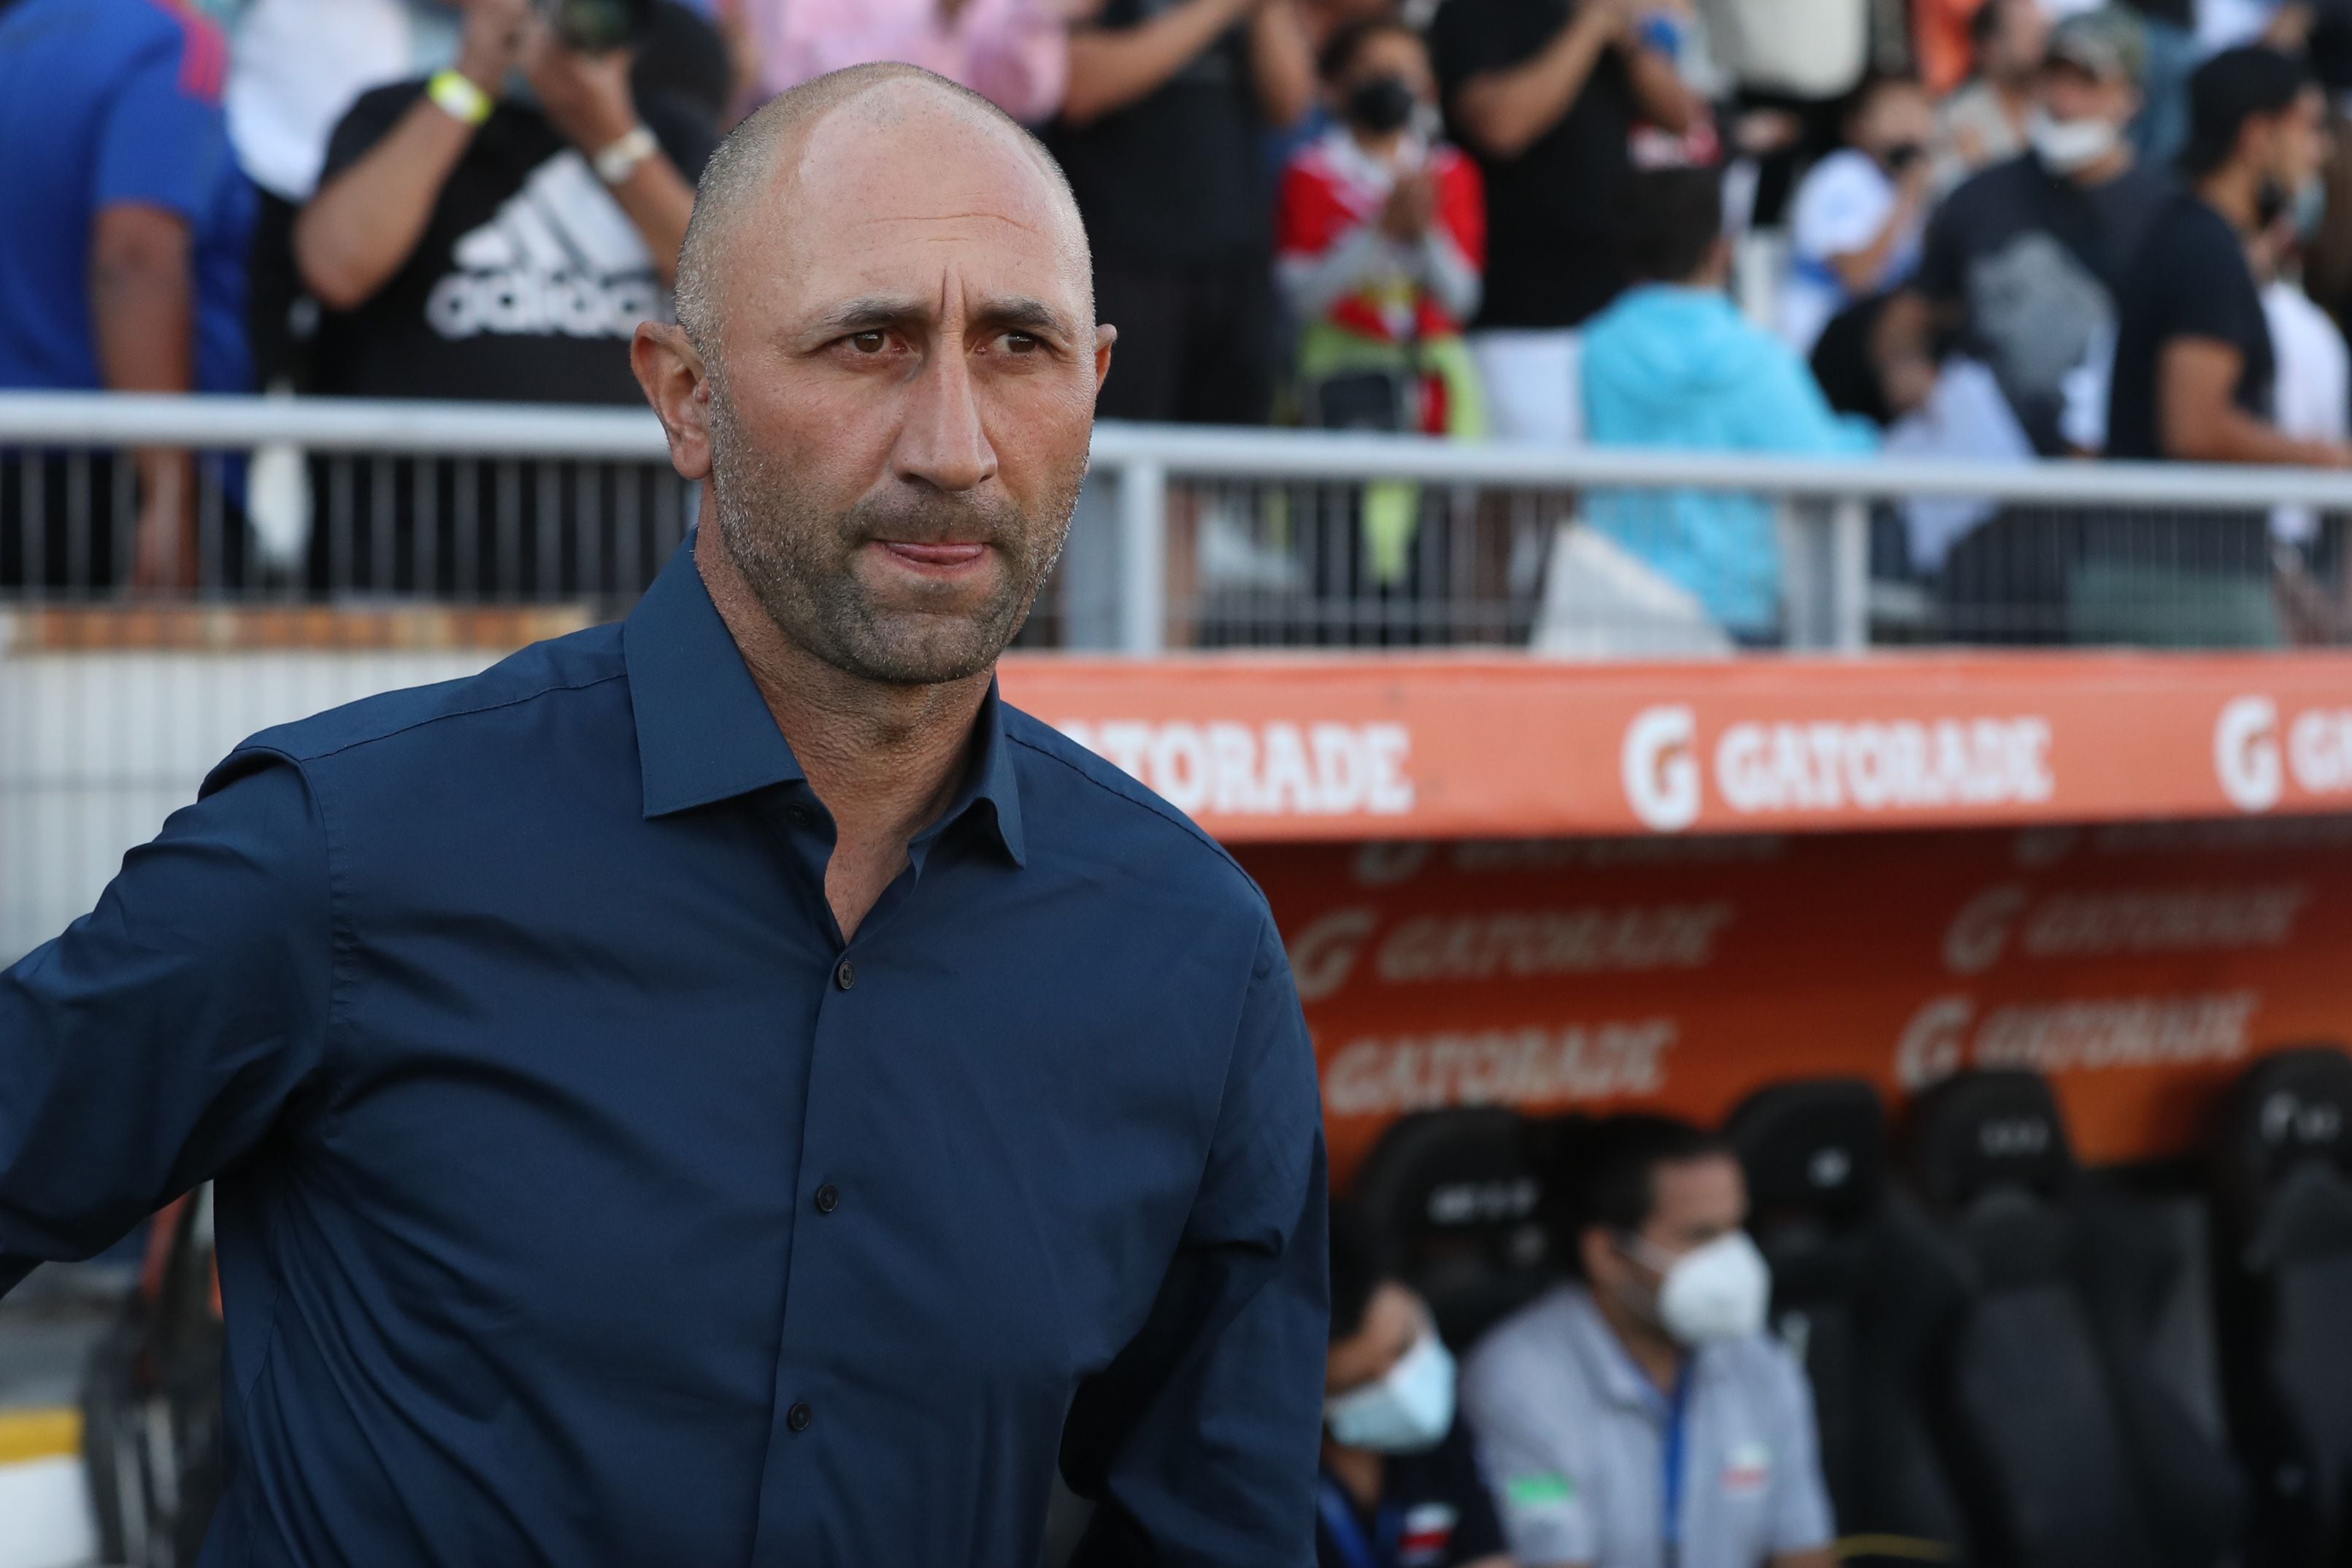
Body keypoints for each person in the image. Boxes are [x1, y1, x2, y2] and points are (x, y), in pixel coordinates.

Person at [0, 62, 1327, 1566]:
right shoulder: (343, 858)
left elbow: (1218, 1526)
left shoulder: (1191, 959)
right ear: (684, 398)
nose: (954, 444)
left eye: (1016, 346)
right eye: (869, 340)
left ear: (1091, 385)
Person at [293, 0, 718, 598]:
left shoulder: (671, 133)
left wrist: (610, 134)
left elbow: (732, 288)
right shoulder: (392, 113)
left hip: (616, 579)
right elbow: (336, 268)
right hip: (407, 577)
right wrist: (470, 82)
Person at [1461, 1115, 1837, 1568]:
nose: (1734, 1259)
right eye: (1702, 1236)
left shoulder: (1760, 1361)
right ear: (1607, 1253)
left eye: (1738, 1229)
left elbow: (1807, 1554)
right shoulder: (1519, 1378)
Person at [0, 0, 255, 595]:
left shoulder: (18, 36)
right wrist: (169, 493)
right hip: (112, 483)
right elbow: (136, 258)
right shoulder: (173, 40)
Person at [1580, 165, 1872, 645]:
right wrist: (1871, 437)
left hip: (1618, 609)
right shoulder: (1753, 357)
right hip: (1729, 615)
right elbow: (1824, 463)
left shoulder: (1599, 347)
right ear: (1721, 248)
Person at [1429, 0, 1706, 445]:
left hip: (1613, 311)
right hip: (1521, 321)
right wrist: (1587, 30)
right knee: (1523, 499)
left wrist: (1631, 43)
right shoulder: (1474, 11)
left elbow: (1680, 116)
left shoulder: (1608, 17)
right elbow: (1500, 126)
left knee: (1602, 501)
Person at [1895, 9, 2168, 456]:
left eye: (2087, 82)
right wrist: (1905, 367)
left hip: (2114, 480)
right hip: (1986, 469)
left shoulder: (2168, 217)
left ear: (2130, 98)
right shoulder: (1979, 196)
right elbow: (1910, 314)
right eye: (2053, 77)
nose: (2064, 99)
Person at [1046, 0, 1313, 426]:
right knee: (1122, 451)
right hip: (1126, 262)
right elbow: (1080, 85)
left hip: (1234, 265)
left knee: (1230, 462)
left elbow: (1291, 105)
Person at [1278, 16, 1486, 438]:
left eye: (1405, 73)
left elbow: (1461, 300)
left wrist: (1424, 230)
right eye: (1374, 72)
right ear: (1336, 86)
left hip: (1435, 397)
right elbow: (1301, 299)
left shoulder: (1451, 172)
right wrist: (1378, 230)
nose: (1390, 85)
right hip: (1339, 387)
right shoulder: (1311, 173)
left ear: (1429, 88)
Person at [1320, 1202, 1513, 1568]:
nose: (1400, 1387)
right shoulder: (1264, 1482)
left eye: (1404, 1347)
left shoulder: (1442, 1428)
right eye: (1361, 1382)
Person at [1778, 74, 1934, 356]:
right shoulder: (1841, 175)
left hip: (1880, 343)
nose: (1910, 126)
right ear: (1858, 127)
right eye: (1896, 113)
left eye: (1919, 111)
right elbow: (1858, 278)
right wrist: (1908, 196)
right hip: (1821, 340)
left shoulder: (1908, 181)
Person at [737, 0, 1071, 123]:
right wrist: (941, 23)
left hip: (937, 176)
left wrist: (1037, 17)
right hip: (819, 167)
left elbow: (1028, 96)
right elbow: (792, 80)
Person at [1932, 0, 2048, 189]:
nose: (2041, 41)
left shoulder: (2059, 105)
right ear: (1990, 46)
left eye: (2043, 30)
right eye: (2026, 31)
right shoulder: (1956, 118)